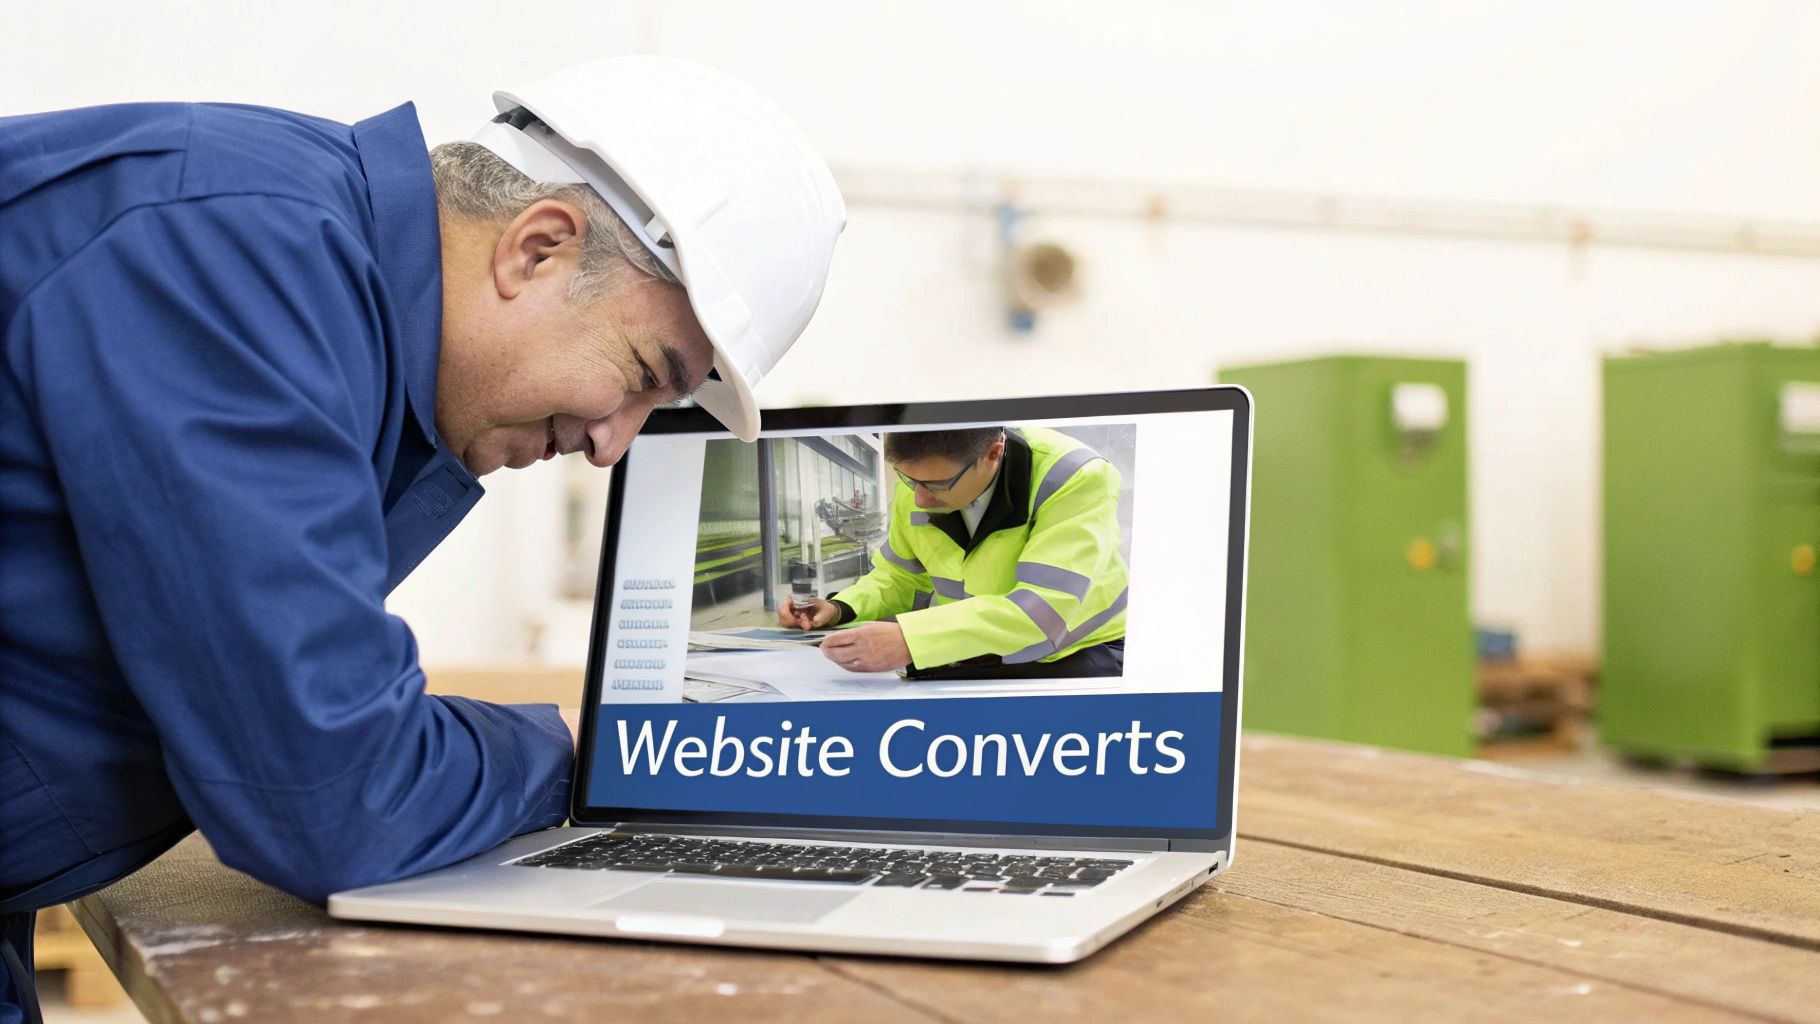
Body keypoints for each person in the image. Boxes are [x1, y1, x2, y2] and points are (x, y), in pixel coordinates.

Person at [0, 56, 843, 1024]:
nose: (613, 444)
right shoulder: (233, 262)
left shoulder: (306, 284)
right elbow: (337, 792)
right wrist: (586, 751)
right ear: (537, 249)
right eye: (645, 373)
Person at [779, 427, 1128, 678]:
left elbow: (1042, 610)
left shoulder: (1074, 478)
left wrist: (911, 639)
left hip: (1077, 654)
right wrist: (840, 607)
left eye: (937, 484)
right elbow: (898, 576)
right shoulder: (921, 483)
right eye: (909, 479)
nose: (919, 498)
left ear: (993, 454)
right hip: (970, 649)